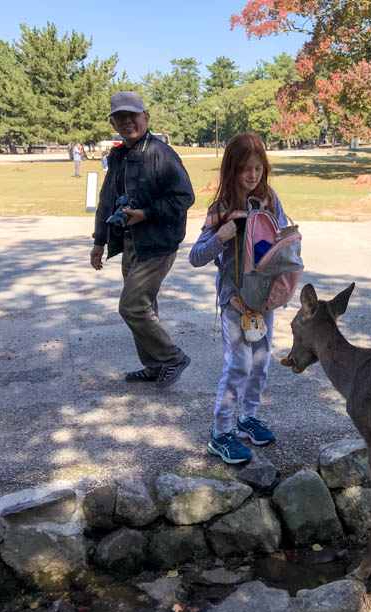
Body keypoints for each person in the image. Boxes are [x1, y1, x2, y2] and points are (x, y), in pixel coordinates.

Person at [189, 132, 285, 464]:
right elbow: (196, 256)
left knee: (261, 362)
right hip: (234, 302)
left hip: (264, 299)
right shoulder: (222, 208)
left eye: (258, 168)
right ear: (232, 169)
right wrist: (220, 236)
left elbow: (282, 238)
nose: (253, 176)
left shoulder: (270, 200)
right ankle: (221, 431)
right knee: (239, 364)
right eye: (245, 168)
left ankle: (247, 419)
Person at [90, 91, 194, 388]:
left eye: (132, 116)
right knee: (145, 306)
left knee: (132, 306)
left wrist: (146, 214)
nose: (126, 122)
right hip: (130, 242)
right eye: (119, 117)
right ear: (113, 122)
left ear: (145, 118)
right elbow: (107, 200)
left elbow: (184, 197)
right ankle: (153, 365)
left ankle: (173, 357)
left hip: (158, 244)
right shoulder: (119, 155)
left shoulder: (160, 153)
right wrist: (100, 241)